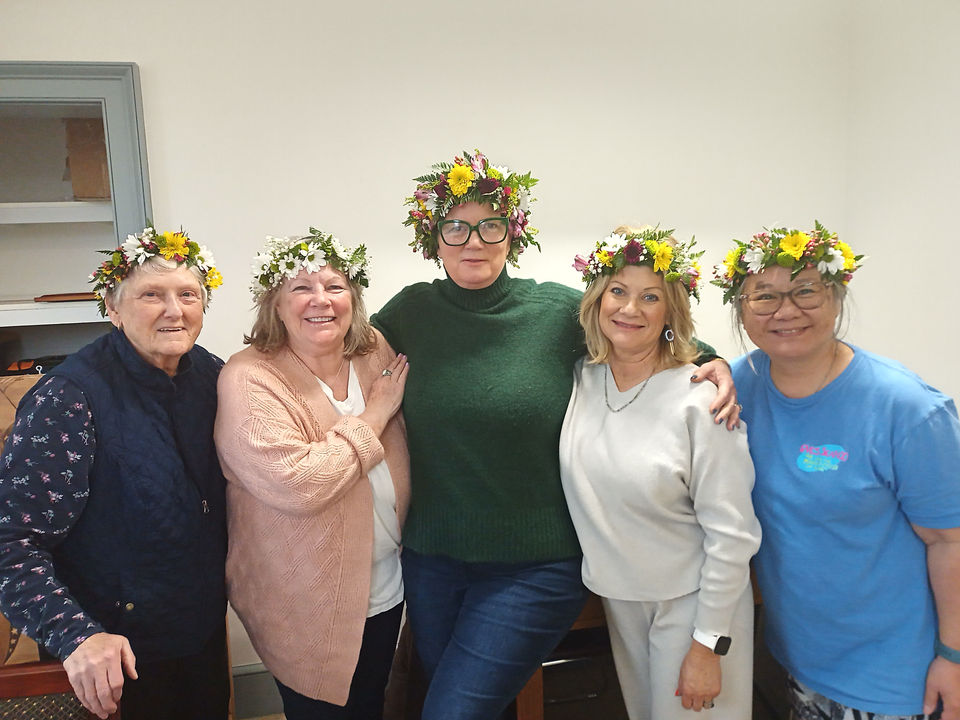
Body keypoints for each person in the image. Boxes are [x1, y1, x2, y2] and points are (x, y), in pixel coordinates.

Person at [372, 150, 740, 720]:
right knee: (455, 702)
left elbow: (637, 324)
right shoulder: (410, 313)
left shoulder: (556, 312)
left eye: (490, 225)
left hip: (535, 565)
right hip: (433, 562)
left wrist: (717, 363)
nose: (474, 240)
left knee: (452, 712)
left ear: (512, 234)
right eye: (456, 226)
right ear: (433, 238)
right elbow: (336, 353)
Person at [714, 222, 960, 720]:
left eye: (805, 289)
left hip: (898, 675)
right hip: (801, 659)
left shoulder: (907, 408)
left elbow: (950, 541)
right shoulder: (739, 387)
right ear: (742, 309)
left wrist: (953, 656)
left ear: (837, 296)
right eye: (764, 296)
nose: (786, 310)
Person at [0, 227, 229, 719]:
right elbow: (11, 541)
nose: (174, 310)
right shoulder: (69, 398)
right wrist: (77, 635)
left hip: (199, 628)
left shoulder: (211, 375)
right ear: (113, 308)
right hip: (111, 652)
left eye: (188, 294)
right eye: (151, 295)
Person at [559, 226, 761, 719]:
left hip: (694, 607)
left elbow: (732, 534)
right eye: (619, 292)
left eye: (650, 297)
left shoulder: (701, 401)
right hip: (621, 600)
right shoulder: (583, 378)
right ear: (598, 299)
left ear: (670, 313)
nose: (630, 309)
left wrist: (709, 644)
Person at [215, 229, 410, 720]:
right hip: (306, 601)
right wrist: (375, 417)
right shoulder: (250, 377)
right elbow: (299, 484)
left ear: (354, 299)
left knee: (370, 705)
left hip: (386, 585)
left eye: (335, 286)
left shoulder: (373, 351)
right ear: (275, 305)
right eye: (301, 287)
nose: (320, 300)